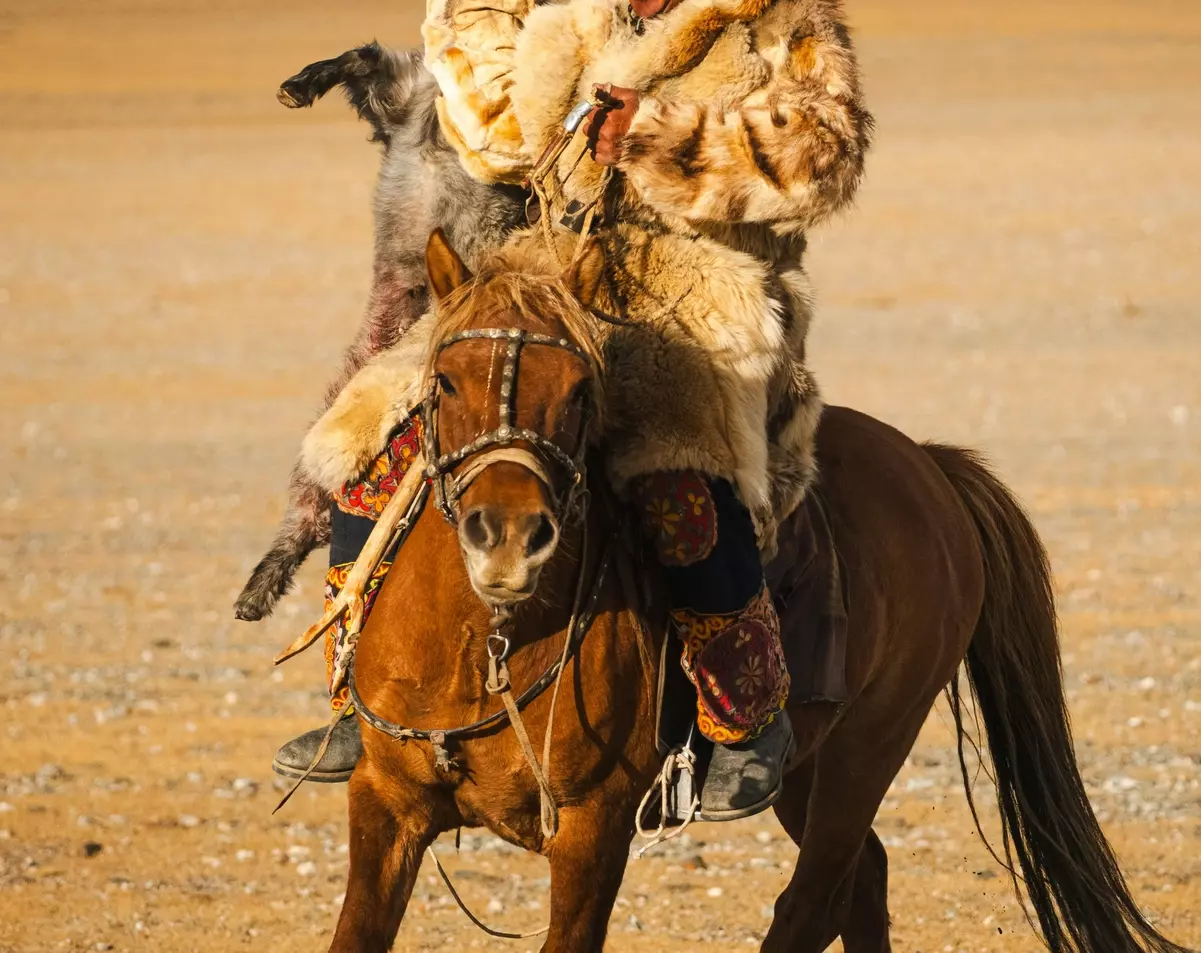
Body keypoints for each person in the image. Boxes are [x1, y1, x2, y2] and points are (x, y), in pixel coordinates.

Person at [274, 0, 871, 820]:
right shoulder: (573, 17)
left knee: (674, 467)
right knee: (374, 425)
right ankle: (357, 701)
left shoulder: (778, 24)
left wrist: (662, 134)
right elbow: (501, 141)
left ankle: (748, 717)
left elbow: (825, 155)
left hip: (700, 290)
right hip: (554, 267)